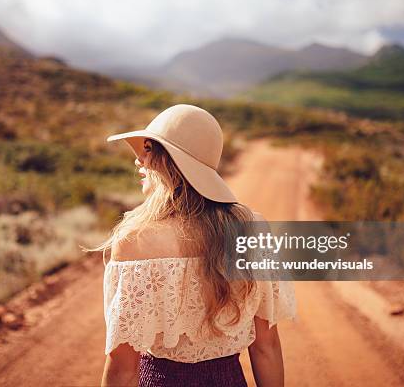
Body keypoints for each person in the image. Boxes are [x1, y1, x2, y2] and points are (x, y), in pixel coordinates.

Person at [97, 104, 296, 386]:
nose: (138, 160)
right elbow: (266, 347)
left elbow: (122, 370)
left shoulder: (136, 241)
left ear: (171, 161)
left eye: (149, 149)